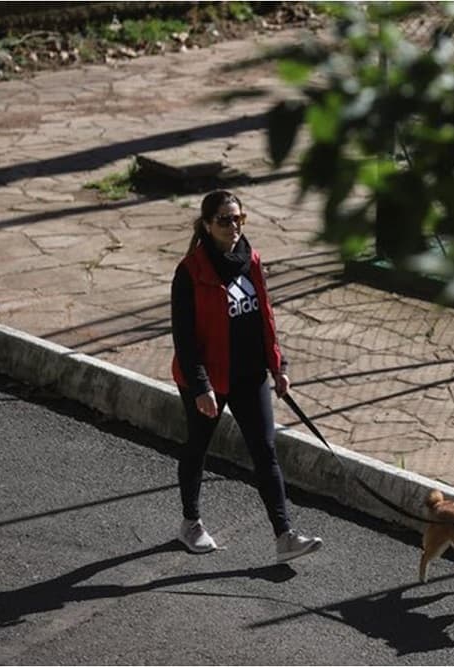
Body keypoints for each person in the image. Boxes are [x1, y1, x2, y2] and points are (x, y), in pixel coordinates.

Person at [170, 189, 322, 563]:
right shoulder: (190, 272)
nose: (233, 226)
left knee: (265, 451)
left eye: (239, 218)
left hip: (249, 376)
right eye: (224, 220)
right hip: (207, 380)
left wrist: (278, 366)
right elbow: (185, 339)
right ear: (207, 225)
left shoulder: (250, 259)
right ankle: (191, 523)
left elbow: (264, 318)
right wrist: (201, 387)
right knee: (197, 448)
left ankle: (284, 535)